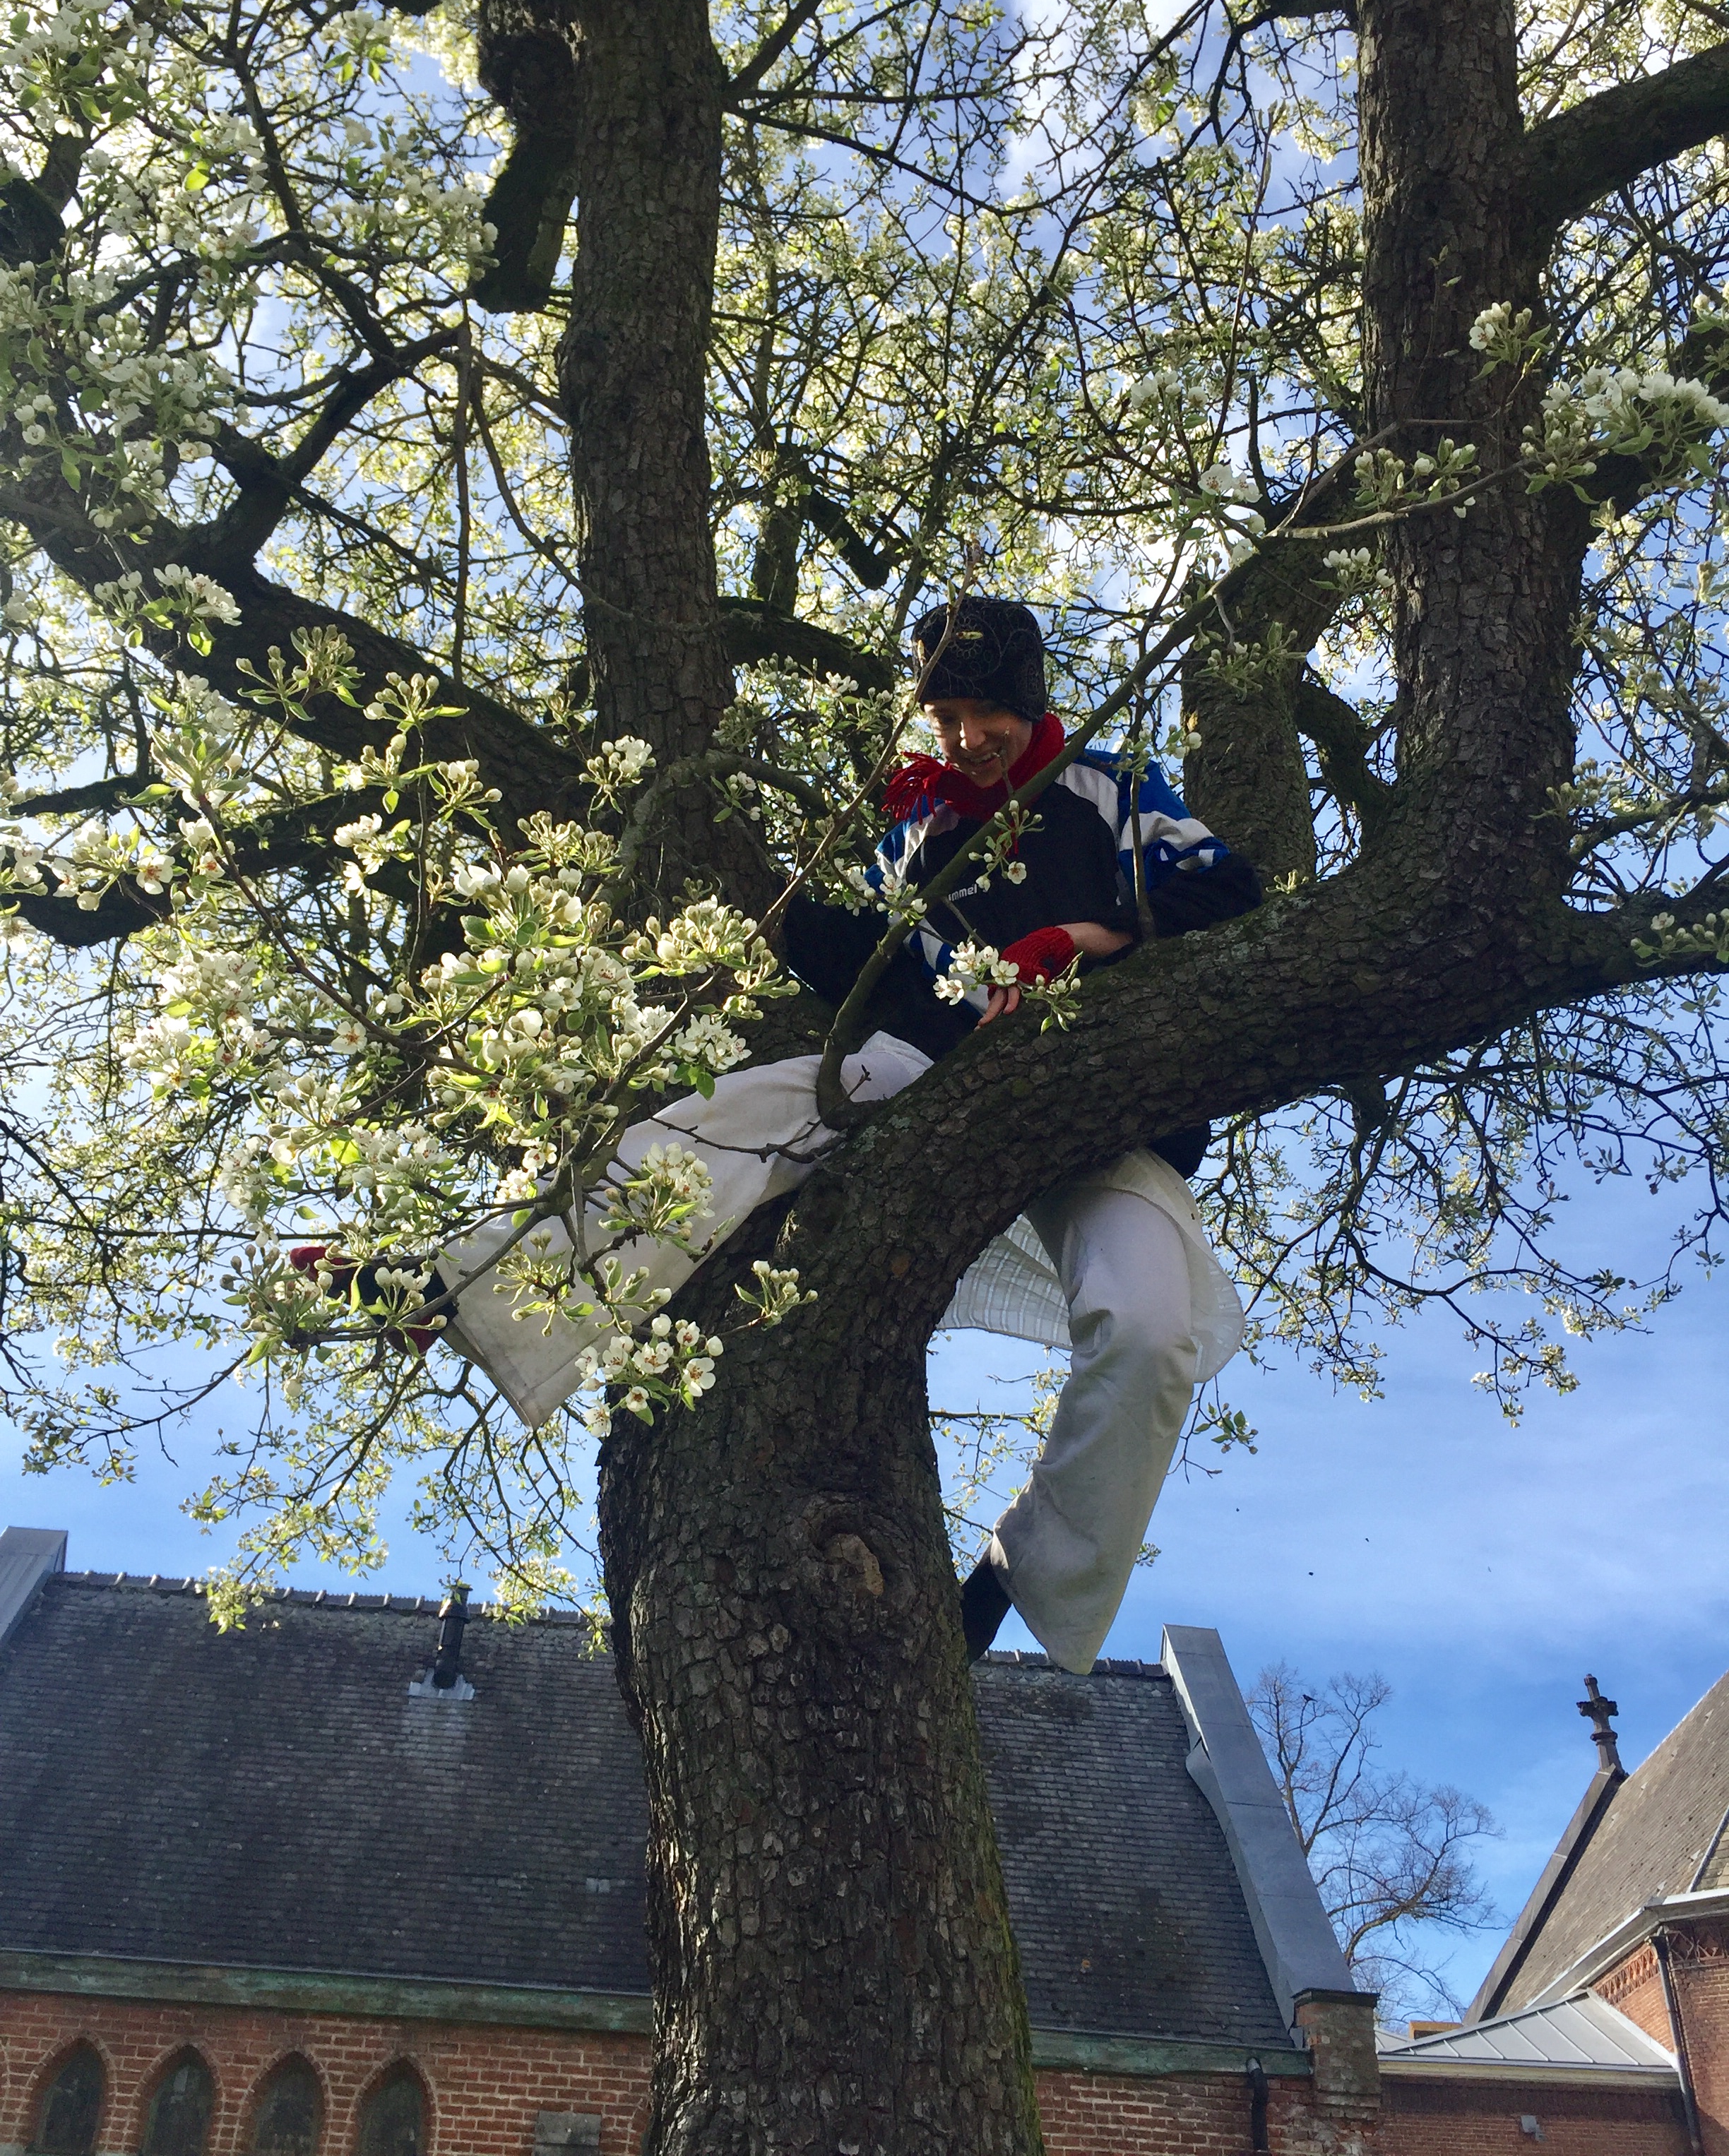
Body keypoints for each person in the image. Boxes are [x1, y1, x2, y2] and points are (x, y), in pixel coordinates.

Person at [330, 597, 1261, 1675]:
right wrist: (758, 882)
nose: (965, 739)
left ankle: (1017, 1577)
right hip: (931, 1072)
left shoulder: (1106, 785)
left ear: (1029, 696)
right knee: (730, 1124)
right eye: (945, 715)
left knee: (1152, 1333)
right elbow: (846, 956)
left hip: (1103, 1107)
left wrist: (1080, 938)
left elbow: (1226, 897)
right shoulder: (921, 829)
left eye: (984, 712)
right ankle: (458, 1284)